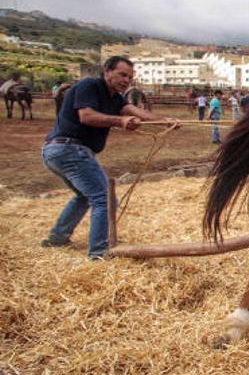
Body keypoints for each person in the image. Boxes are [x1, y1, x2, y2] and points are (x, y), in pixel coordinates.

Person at [40, 56, 179, 259]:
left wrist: (166, 121)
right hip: (70, 149)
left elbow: (135, 112)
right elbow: (86, 116)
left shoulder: (115, 98)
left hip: (58, 152)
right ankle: (98, 252)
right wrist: (120, 121)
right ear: (106, 72)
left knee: (83, 196)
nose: (126, 80)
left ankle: (57, 238)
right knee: (105, 199)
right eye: (122, 74)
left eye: (130, 77)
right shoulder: (89, 86)